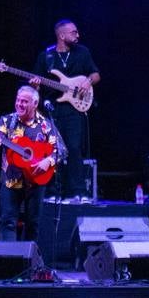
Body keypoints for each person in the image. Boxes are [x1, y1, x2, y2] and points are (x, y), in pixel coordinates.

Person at [31, 19, 99, 201]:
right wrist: (36, 86)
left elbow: (95, 74)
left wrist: (88, 81)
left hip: (74, 110)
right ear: (61, 35)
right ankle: (53, 192)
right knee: (52, 150)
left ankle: (77, 192)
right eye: (73, 32)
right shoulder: (46, 56)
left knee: (75, 148)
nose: (78, 35)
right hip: (52, 109)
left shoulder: (83, 52)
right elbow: (36, 85)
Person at [0, 86, 65, 242]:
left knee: (33, 225)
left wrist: (48, 161)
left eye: (24, 101)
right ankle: (8, 260)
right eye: (18, 100)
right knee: (7, 222)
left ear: (35, 103)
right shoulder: (7, 121)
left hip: (35, 182)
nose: (19, 104)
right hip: (11, 181)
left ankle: (30, 264)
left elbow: (61, 150)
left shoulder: (45, 125)